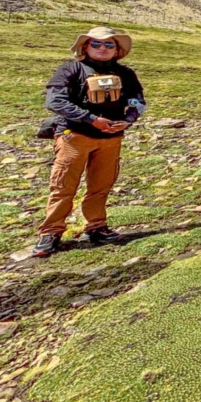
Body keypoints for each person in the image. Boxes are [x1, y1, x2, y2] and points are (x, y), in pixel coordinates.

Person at [33, 27, 146, 257]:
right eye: (96, 44)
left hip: (111, 138)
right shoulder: (70, 69)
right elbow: (55, 101)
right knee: (63, 186)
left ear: (117, 49)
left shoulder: (125, 74)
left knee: (101, 186)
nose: (102, 48)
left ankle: (96, 227)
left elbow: (138, 101)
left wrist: (128, 120)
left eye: (109, 44)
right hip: (74, 136)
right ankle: (51, 232)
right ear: (85, 47)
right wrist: (91, 119)